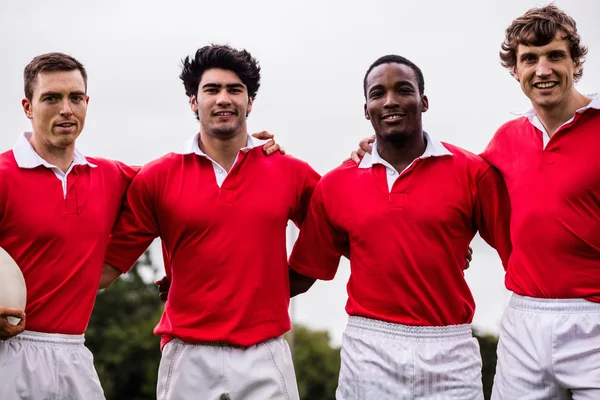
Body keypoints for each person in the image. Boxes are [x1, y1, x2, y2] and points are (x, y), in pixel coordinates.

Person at [101, 44, 320, 400]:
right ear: (193, 101)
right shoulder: (158, 177)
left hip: (265, 352)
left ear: (250, 102)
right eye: (212, 89)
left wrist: (287, 282)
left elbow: (338, 224)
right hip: (187, 354)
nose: (223, 99)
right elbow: (107, 267)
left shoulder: (289, 171)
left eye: (235, 90)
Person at [289, 54, 512, 399]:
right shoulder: (335, 185)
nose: (390, 101)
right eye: (378, 94)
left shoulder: (472, 171)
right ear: (366, 108)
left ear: (423, 101)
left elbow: (521, 250)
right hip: (368, 349)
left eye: (403, 90)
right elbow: (302, 274)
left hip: (449, 349)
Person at [0, 52, 137, 400]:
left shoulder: (110, 175)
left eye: (75, 97)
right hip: (7, 356)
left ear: (86, 103)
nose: (66, 108)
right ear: (28, 107)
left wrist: (244, 150)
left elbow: (182, 187)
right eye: (51, 98)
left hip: (75, 354)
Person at [483, 5, 600, 399]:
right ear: (515, 70)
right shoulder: (506, 139)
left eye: (555, 55)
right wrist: (374, 151)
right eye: (529, 59)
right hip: (524, 322)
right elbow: (455, 193)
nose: (542, 69)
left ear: (575, 61)